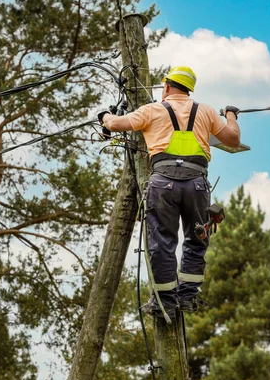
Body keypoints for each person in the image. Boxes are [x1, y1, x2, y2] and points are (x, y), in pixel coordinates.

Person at [97, 66, 241, 318]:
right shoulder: (205, 111)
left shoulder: (153, 110)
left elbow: (117, 124)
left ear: (166, 86)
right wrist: (230, 115)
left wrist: (105, 117)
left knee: (161, 241)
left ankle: (164, 302)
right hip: (196, 183)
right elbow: (233, 140)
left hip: (162, 182)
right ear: (189, 89)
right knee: (197, 239)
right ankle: (187, 297)